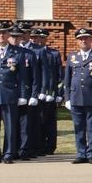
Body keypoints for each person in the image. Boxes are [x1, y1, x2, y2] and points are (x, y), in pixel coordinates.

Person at [61, 28, 92, 165]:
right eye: (81, 39)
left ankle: (91, 154)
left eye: (86, 38)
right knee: (79, 127)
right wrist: (67, 98)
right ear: (77, 41)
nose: (83, 41)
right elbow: (67, 81)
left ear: (91, 40)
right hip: (76, 97)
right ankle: (81, 153)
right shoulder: (72, 57)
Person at [0, 21, 31, 164]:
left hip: (10, 94)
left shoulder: (18, 52)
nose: (1, 35)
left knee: (10, 126)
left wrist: (23, 95)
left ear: (8, 34)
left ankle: (9, 153)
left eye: (4, 32)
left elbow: (23, 77)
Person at [9, 24, 41, 160]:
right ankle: (11, 150)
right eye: (13, 37)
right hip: (9, 94)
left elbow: (35, 77)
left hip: (25, 94)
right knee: (11, 124)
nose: (15, 40)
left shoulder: (28, 54)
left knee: (25, 125)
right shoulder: (5, 53)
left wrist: (33, 95)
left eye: (18, 37)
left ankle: (24, 150)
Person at [32, 28, 62, 156]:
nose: (38, 40)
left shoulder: (53, 54)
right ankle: (38, 146)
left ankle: (50, 147)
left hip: (50, 94)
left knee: (49, 121)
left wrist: (58, 94)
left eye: (42, 38)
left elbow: (59, 76)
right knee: (37, 121)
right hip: (35, 93)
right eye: (36, 37)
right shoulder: (31, 52)